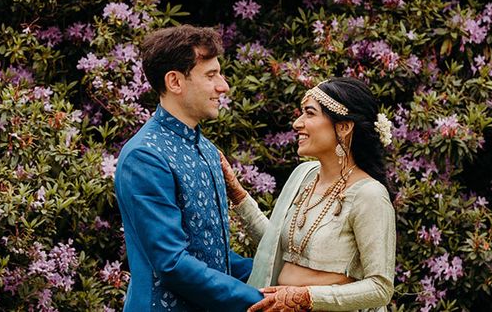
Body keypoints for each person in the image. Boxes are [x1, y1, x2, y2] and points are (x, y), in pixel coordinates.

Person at [114, 25, 264, 311]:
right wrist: (262, 302)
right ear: (175, 81)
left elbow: (212, 253)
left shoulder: (207, 150)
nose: (223, 86)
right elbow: (172, 263)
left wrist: (287, 282)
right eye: (211, 75)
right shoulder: (145, 156)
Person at [222, 77, 396, 312]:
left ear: (344, 127)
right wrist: (237, 194)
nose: (297, 123)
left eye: (310, 114)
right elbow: (274, 247)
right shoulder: (305, 176)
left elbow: (380, 288)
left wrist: (306, 297)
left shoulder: (369, 194)